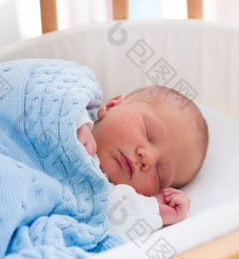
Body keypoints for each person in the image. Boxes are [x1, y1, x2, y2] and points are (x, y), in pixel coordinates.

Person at [76, 85, 209, 239]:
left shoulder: (107, 197)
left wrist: (155, 210)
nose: (148, 158)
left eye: (159, 174)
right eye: (148, 134)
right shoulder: (73, 109)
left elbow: (109, 221)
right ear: (112, 105)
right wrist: (80, 124)